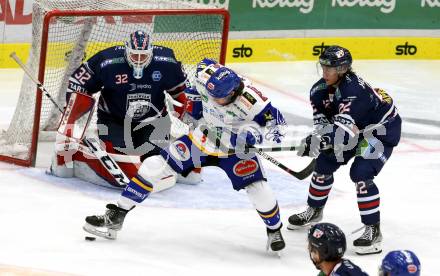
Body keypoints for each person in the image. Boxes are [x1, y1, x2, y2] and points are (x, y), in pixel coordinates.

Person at [83, 59, 288, 253]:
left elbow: (278, 127)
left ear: (234, 92)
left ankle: (274, 230)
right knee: (153, 166)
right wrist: (194, 112)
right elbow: (197, 85)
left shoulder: (254, 101)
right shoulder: (207, 74)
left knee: (259, 189)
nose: (215, 100)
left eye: (220, 98)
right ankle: (117, 215)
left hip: (235, 151)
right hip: (201, 140)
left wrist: (252, 136)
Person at [49, 30, 201, 188]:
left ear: (151, 52)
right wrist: (73, 112)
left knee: (155, 159)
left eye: (144, 56)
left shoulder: (167, 62)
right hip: (113, 119)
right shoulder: (107, 61)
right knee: (117, 156)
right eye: (135, 55)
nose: (139, 60)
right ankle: (81, 157)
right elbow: (78, 83)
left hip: (154, 120)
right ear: (127, 51)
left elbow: (183, 92)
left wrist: (189, 114)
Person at [288, 45, 402, 255]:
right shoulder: (317, 90)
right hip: (354, 130)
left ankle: (373, 230)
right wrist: (317, 140)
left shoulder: (354, 92)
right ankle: (314, 211)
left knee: (361, 173)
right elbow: (325, 126)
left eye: (330, 68)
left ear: (343, 69)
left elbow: (343, 133)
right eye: (323, 67)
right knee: (324, 164)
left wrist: (319, 141)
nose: (324, 72)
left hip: (380, 132)